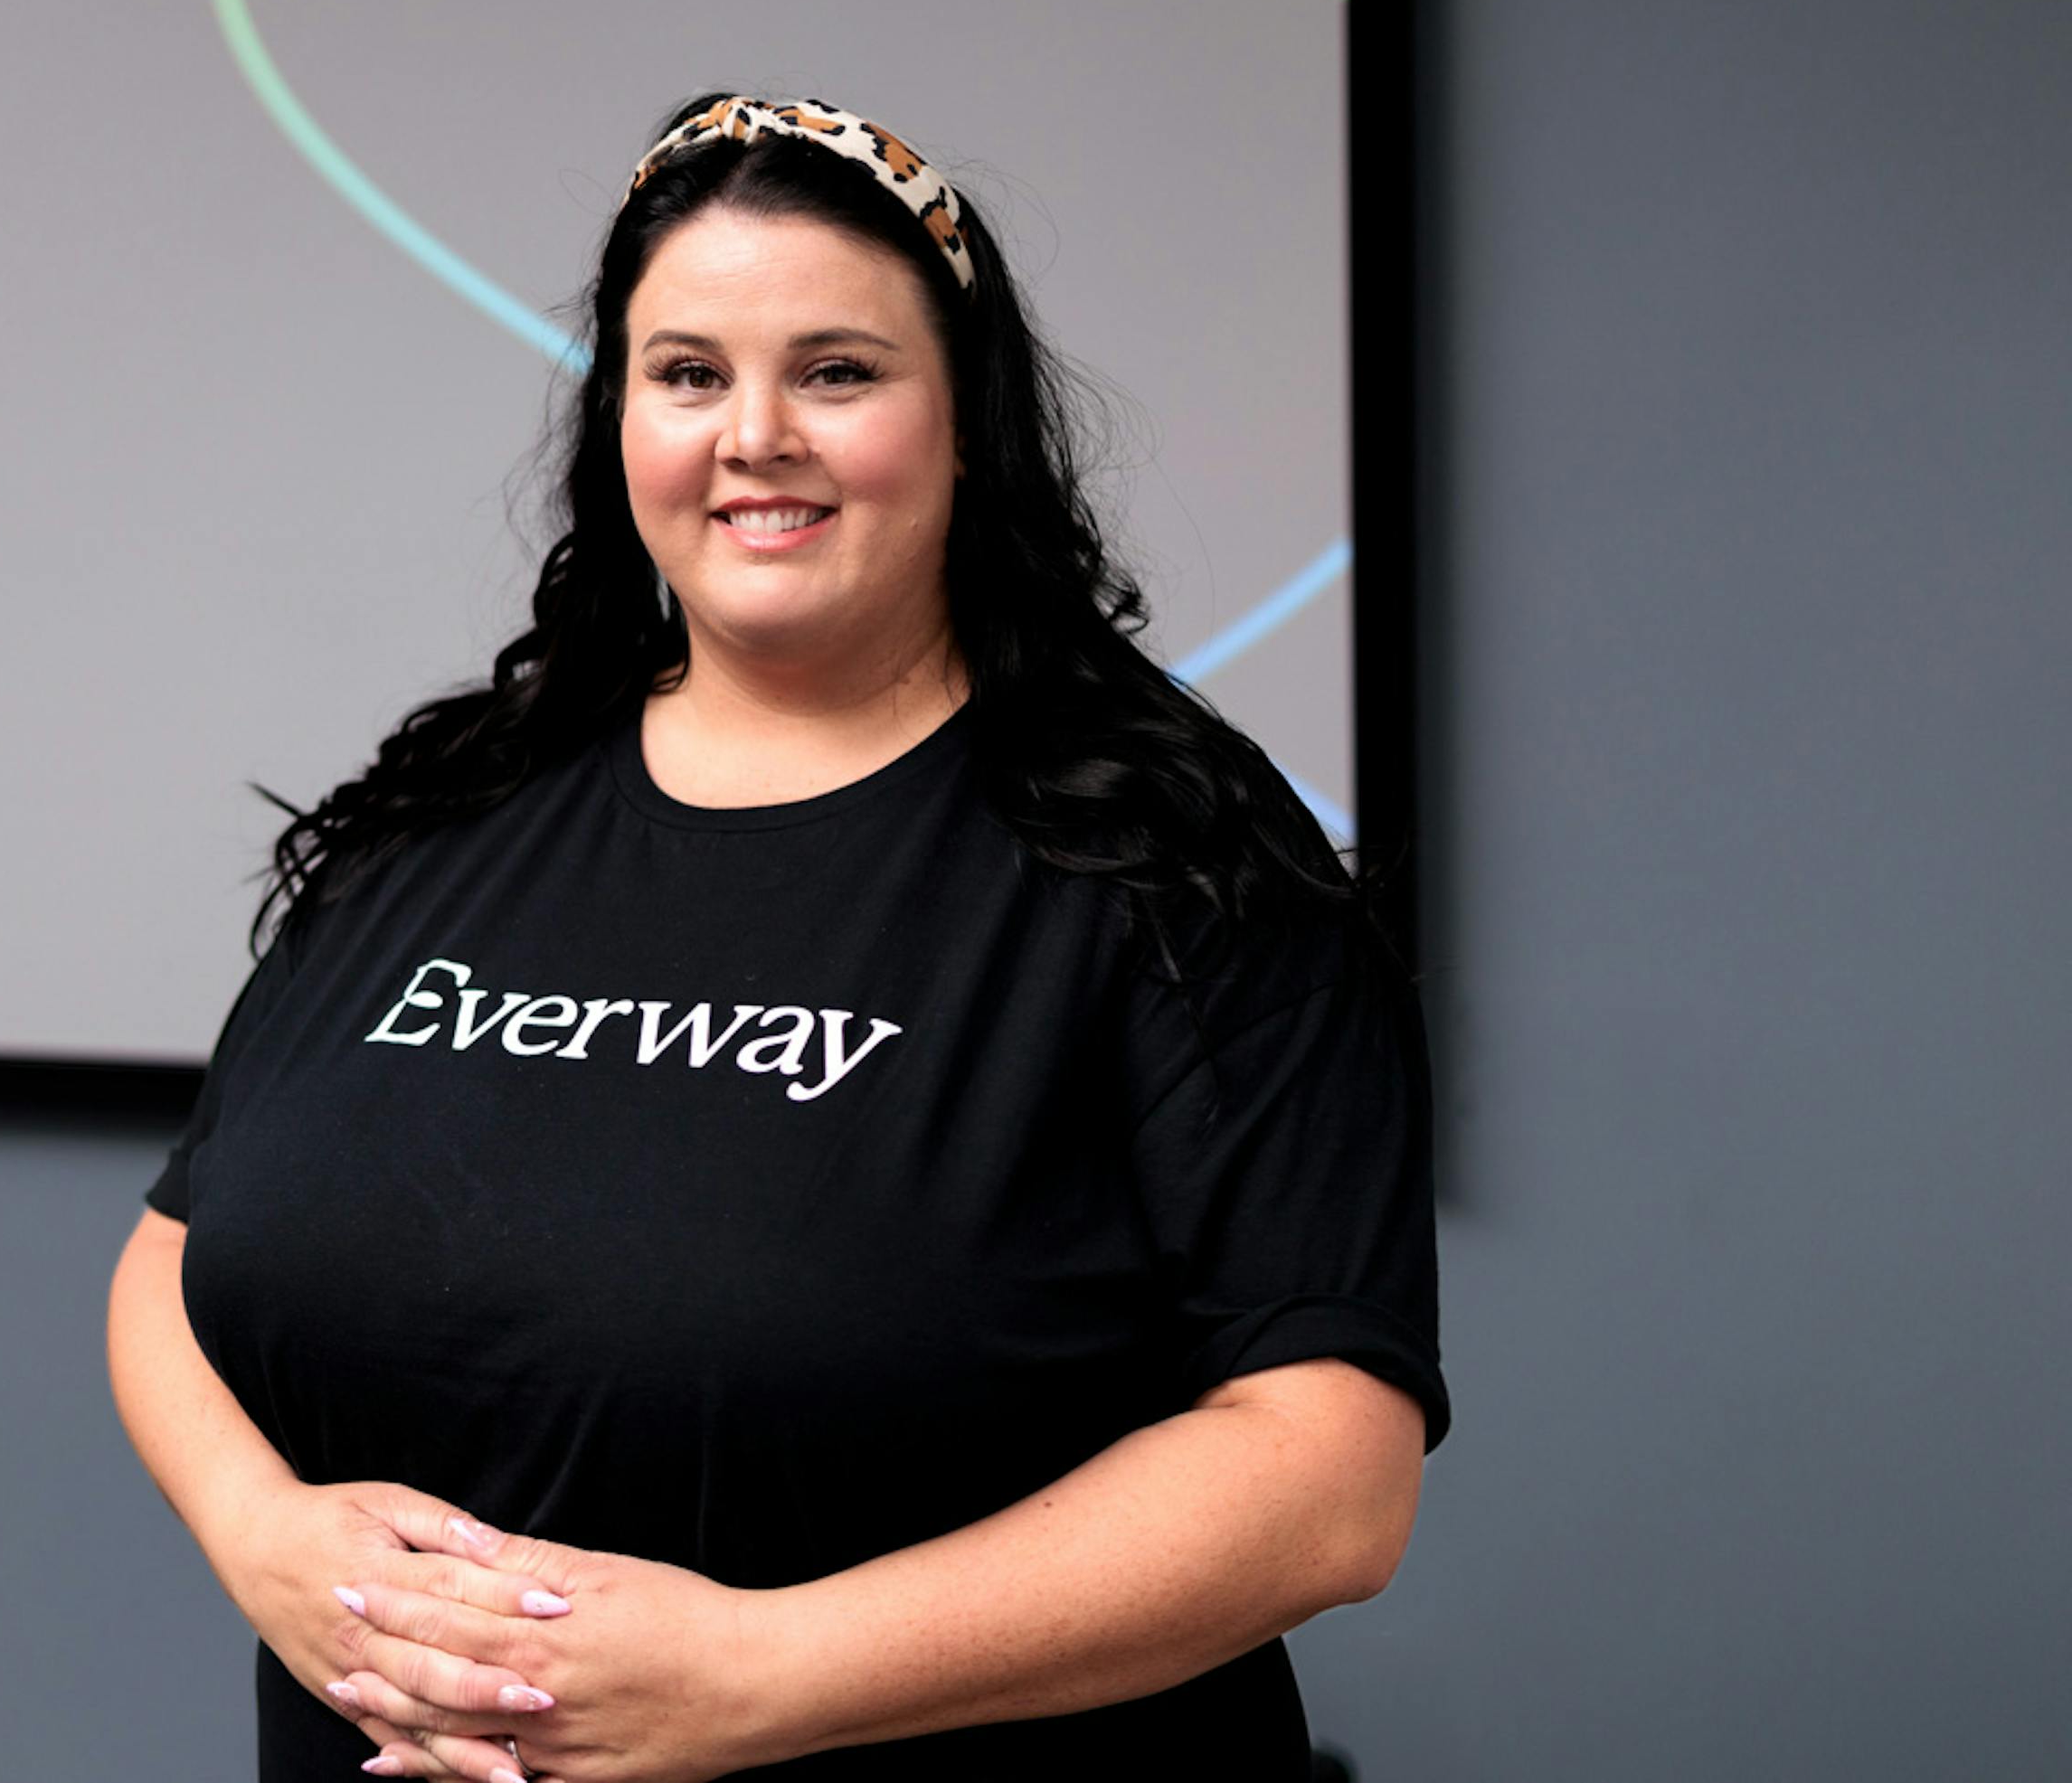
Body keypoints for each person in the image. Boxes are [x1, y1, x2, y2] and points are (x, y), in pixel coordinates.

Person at [107, 94, 1446, 1782]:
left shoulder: (1173, 850)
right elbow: (173, 1251)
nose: (755, 435)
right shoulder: (454, 802)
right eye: (687, 373)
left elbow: (1329, 1478)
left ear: (968, 417)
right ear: (620, 421)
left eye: (837, 370)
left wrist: (768, 1673)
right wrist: (265, 1539)